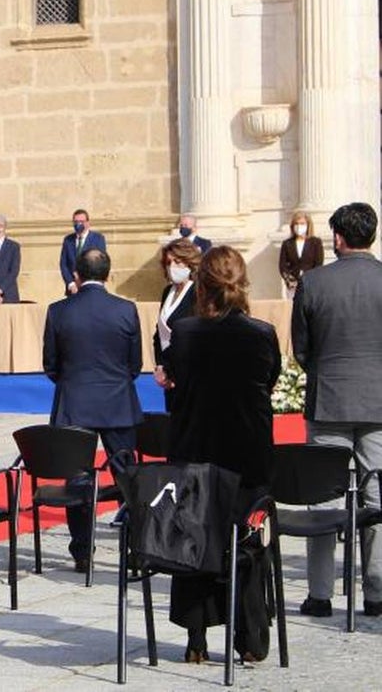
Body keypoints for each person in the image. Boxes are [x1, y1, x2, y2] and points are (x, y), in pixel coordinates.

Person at [164, 245, 280, 662]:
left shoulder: (186, 334)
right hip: (246, 456)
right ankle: (249, 639)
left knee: (194, 545)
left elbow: (173, 378)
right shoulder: (261, 333)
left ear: (203, 286)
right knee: (249, 547)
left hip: (197, 451)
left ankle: (196, 639)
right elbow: (270, 378)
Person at [292, 202, 382, 619]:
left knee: (324, 498)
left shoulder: (314, 283)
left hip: (328, 399)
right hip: (378, 403)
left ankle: (321, 593)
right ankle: (377, 591)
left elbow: (302, 349)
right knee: (376, 497)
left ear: (338, 239)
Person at [43, 248, 142, 572]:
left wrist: (73, 382)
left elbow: (51, 364)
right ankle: (137, 545)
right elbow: (135, 364)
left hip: (75, 403)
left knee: (78, 479)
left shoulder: (59, 311)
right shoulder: (126, 309)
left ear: (76, 275)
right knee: (127, 476)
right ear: (108, 275)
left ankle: (82, 551)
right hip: (117, 403)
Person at [152, 239, 202, 413]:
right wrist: (160, 366)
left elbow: (196, 335)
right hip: (168, 374)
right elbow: (158, 334)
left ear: (189, 262)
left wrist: (174, 370)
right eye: (168, 262)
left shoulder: (197, 292)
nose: (172, 266)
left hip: (189, 375)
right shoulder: (168, 292)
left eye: (177, 262)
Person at [59, 209, 108, 295]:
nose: (78, 224)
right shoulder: (68, 240)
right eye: (76, 222)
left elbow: (101, 263)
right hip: (73, 290)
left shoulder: (98, 239)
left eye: (81, 221)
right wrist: (71, 283)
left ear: (88, 223)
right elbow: (64, 264)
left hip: (92, 288)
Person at [279, 210, 324, 297]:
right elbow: (282, 266)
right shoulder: (287, 243)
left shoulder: (316, 242)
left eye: (302, 223)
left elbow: (319, 264)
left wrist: (311, 280)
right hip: (293, 286)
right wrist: (290, 280)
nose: (299, 226)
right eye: (296, 223)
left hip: (311, 284)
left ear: (308, 225)